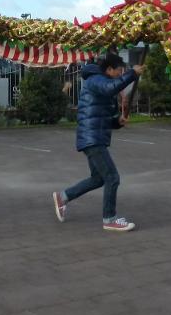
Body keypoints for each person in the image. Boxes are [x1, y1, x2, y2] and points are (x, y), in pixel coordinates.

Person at [52, 53, 145, 232]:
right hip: (92, 138)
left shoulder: (100, 82)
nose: (120, 74)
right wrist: (132, 74)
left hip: (93, 136)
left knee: (98, 178)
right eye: (119, 71)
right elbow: (111, 88)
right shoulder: (96, 80)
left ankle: (63, 197)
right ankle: (109, 219)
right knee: (112, 177)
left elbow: (102, 116)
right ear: (109, 69)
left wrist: (116, 122)